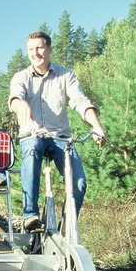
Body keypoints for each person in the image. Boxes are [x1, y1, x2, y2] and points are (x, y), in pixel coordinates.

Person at [8, 31, 106, 231]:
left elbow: (80, 101)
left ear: (49, 49)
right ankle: (30, 215)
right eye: (31, 49)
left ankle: (65, 228)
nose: (36, 53)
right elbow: (15, 99)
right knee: (33, 147)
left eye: (40, 48)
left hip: (60, 137)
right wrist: (21, 106)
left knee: (79, 183)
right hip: (33, 135)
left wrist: (96, 126)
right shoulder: (21, 77)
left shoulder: (65, 75)